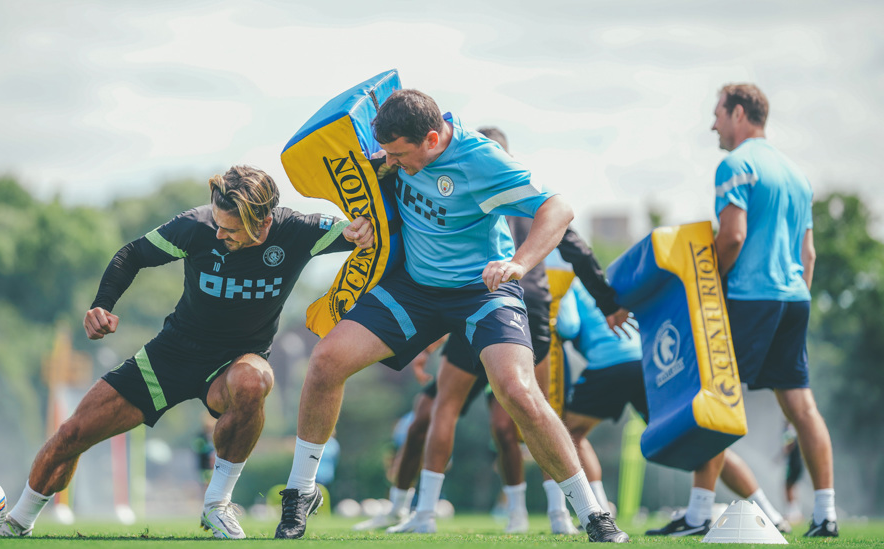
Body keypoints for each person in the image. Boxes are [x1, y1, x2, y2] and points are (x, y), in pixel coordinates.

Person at [274, 89, 628, 542]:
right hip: (414, 289)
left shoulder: (480, 159)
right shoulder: (395, 151)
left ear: (433, 138)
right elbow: (368, 189)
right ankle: (301, 492)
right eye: (390, 155)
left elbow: (559, 209)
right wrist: (359, 224)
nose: (395, 164)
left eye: (402, 156)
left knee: (517, 391)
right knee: (325, 361)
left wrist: (518, 263)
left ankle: (593, 513)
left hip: (480, 292)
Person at [0, 165, 374, 538]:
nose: (219, 232)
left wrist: (364, 228)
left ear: (262, 222)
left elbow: (365, 230)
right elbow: (131, 255)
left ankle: (216, 505)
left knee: (254, 380)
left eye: (230, 228)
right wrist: (102, 304)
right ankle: (17, 523)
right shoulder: (196, 226)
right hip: (171, 355)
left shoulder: (298, 231)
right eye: (218, 222)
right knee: (72, 434)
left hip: (236, 361)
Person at [379, 126, 631, 537]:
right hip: (530, 306)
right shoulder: (528, 194)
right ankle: (558, 515)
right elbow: (578, 250)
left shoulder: (468, 186)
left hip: (488, 300)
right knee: (536, 409)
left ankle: (426, 513)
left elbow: (442, 271)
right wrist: (609, 303)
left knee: (450, 406)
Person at [646, 83, 836, 538]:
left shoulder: (736, 164)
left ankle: (697, 515)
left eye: (717, 114)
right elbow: (808, 254)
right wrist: (796, 298)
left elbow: (731, 237)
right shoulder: (796, 174)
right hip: (794, 297)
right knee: (802, 407)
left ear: (737, 113)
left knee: (715, 396)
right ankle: (825, 514)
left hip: (750, 297)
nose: (713, 125)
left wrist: (710, 284)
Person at [558, 279, 790, 534]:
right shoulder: (601, 279)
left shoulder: (565, 280)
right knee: (700, 441)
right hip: (645, 364)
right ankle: (770, 513)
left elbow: (567, 326)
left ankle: (598, 513)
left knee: (568, 434)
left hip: (609, 364)